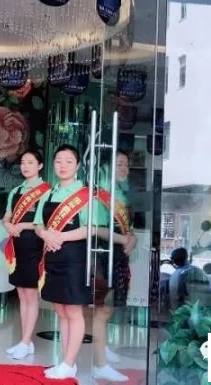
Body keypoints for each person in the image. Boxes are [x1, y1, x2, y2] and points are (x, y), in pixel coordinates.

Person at [34, 144, 104, 380]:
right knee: (61, 310)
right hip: (52, 255)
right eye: (58, 161)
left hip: (74, 257)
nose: (62, 166)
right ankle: (66, 362)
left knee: (74, 310)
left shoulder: (85, 195)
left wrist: (60, 237)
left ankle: (68, 362)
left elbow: (90, 228)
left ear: (78, 166)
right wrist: (46, 235)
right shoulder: (48, 194)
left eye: (68, 161)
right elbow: (38, 224)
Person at [91, 150, 136, 381]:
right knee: (103, 309)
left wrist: (132, 239)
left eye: (126, 164)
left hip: (118, 255)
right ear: (106, 168)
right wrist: (123, 239)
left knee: (109, 308)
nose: (124, 168)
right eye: (118, 164)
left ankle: (103, 348)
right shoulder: (100, 195)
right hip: (103, 255)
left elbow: (128, 229)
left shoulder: (123, 195)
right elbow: (96, 229)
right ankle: (100, 364)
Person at [2, 150, 51, 360]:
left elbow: (46, 222)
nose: (25, 166)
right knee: (21, 294)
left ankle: (25, 341)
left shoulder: (47, 191)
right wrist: (7, 225)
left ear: (40, 166)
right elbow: (7, 216)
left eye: (31, 162)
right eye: (23, 162)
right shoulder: (16, 191)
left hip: (35, 246)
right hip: (17, 247)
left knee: (31, 295)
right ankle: (26, 340)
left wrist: (22, 225)